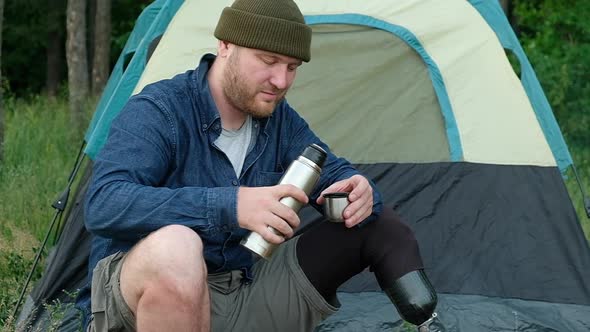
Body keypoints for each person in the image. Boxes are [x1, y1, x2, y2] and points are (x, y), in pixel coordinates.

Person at [77, 0, 448, 331]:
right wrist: (231, 205)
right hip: (141, 300)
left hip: (242, 289)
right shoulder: (160, 110)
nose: (281, 80)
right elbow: (104, 203)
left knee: (376, 224)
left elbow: (330, 169)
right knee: (178, 246)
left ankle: (427, 323)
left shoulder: (278, 120)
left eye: (292, 67)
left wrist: (357, 187)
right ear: (225, 46)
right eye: (268, 61)